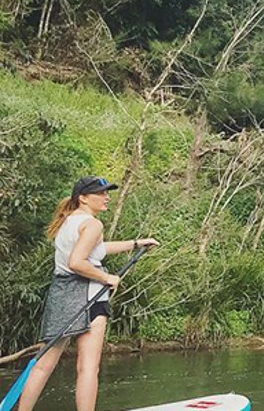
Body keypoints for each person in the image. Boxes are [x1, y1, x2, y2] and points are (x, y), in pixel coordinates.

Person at [18, 176, 159, 411]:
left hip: (61, 294)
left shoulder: (68, 221)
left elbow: (97, 250)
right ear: (83, 197)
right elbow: (77, 262)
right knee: (88, 367)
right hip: (89, 295)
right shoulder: (93, 224)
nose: (107, 197)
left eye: (107, 193)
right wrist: (107, 278)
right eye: (101, 193)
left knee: (43, 365)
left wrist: (137, 243)